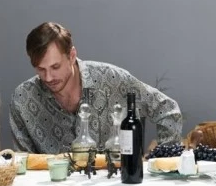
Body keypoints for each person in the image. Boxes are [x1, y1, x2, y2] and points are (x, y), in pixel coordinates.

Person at [10, 22, 183, 153]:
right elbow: (23, 165)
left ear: (72, 56)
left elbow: (167, 110)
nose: (48, 77)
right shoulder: (23, 99)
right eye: (40, 69)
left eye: (55, 67)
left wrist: (160, 162)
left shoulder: (111, 79)